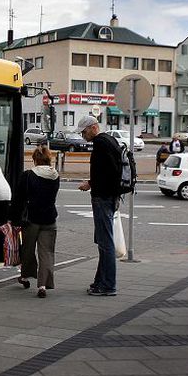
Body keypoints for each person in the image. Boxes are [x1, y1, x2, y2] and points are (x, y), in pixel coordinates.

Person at [77, 115, 121, 296]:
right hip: (110, 196)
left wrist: (90, 183)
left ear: (93, 127)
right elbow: (110, 171)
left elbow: (105, 173)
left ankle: (108, 285)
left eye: (84, 131)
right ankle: (99, 282)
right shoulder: (110, 140)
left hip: (103, 197)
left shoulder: (101, 144)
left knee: (105, 243)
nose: (83, 135)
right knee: (104, 242)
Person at [10, 146, 59, 298]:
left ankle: (25, 276)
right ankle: (43, 285)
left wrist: (13, 218)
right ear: (49, 158)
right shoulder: (55, 176)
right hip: (50, 219)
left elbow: (18, 199)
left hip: (31, 220)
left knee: (28, 250)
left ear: (35, 159)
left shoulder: (28, 175)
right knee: (47, 252)